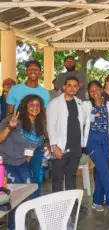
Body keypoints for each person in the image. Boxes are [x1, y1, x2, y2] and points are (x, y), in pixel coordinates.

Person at [0, 95, 46, 230]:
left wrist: (25, 164)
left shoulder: (39, 126)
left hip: (21, 163)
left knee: (28, 192)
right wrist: (9, 127)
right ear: (25, 106)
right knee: (15, 198)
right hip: (5, 162)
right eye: (31, 104)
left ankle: (19, 224)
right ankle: (14, 227)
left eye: (38, 105)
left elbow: (30, 150)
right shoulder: (13, 119)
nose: (35, 107)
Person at [6, 60, 50, 199]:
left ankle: (34, 204)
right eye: (30, 68)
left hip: (36, 138)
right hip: (17, 138)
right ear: (26, 71)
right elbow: (9, 114)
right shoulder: (15, 89)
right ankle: (18, 205)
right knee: (18, 176)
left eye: (36, 69)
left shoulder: (44, 93)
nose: (33, 71)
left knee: (36, 174)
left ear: (40, 72)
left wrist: (46, 139)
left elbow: (44, 118)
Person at [83, 80, 109, 215]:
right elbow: (81, 121)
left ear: (101, 89)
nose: (94, 93)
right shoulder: (86, 105)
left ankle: (97, 201)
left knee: (100, 172)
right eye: (91, 91)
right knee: (104, 170)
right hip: (92, 141)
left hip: (106, 140)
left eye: (96, 89)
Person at [47, 76, 84, 193]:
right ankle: (57, 206)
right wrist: (54, 146)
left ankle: (72, 204)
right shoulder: (54, 103)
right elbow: (50, 126)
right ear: (64, 87)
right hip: (60, 147)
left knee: (72, 176)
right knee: (58, 178)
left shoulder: (80, 103)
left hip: (76, 147)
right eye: (69, 85)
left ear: (78, 88)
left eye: (75, 86)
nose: (72, 88)